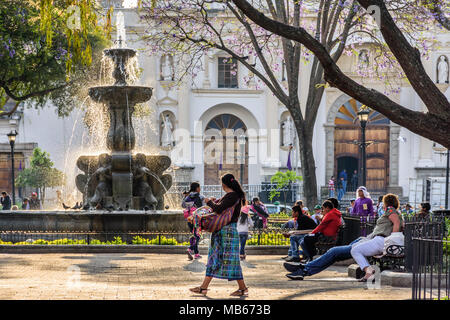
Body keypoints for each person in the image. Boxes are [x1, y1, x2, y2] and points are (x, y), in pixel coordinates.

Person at [189, 173, 248, 297]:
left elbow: (218, 209)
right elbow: (220, 207)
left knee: (230, 260)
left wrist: (209, 202)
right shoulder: (231, 196)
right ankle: (204, 287)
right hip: (224, 232)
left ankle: (242, 288)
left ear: (224, 184)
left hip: (227, 233)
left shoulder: (232, 196)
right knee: (215, 258)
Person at [350, 193, 403, 282]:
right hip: (380, 239)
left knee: (355, 250)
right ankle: (367, 269)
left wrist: (392, 239)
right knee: (354, 246)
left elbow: (396, 223)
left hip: (382, 240)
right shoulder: (394, 211)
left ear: (386, 202)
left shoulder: (390, 210)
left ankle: (369, 272)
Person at [284, 237, 364, 280]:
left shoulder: (331, 214)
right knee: (335, 254)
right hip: (364, 240)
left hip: (369, 243)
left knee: (334, 251)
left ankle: (304, 269)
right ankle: (303, 269)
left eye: (323, 209)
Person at [182, 182, 206, 260]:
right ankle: (190, 248)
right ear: (197, 188)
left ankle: (196, 254)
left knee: (194, 235)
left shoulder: (187, 197)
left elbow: (183, 205)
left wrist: (185, 197)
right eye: (199, 187)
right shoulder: (201, 196)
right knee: (197, 235)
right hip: (197, 219)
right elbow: (203, 207)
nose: (200, 189)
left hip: (189, 219)